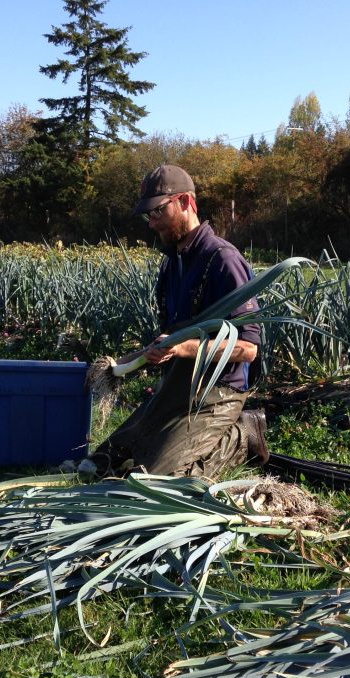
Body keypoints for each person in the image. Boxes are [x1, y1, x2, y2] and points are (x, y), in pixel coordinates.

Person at [92, 164, 268, 477]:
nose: (152, 223)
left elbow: (249, 349)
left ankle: (242, 436)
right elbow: (170, 338)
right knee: (104, 461)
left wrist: (184, 348)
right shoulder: (171, 265)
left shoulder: (222, 260)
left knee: (161, 477)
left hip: (218, 393)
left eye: (158, 212)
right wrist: (122, 365)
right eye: (149, 215)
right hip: (176, 389)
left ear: (185, 202)